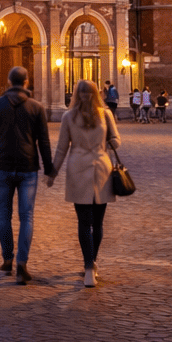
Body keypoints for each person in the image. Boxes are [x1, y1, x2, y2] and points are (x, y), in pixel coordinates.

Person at [0, 66, 56, 285]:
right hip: (28, 167)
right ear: (26, 82)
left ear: (8, 81)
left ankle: (7, 260)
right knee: (27, 217)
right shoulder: (36, 107)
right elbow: (44, 141)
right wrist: (49, 168)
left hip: (2, 165)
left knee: (4, 215)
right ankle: (22, 263)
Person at [49, 79, 121, 288]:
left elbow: (62, 148)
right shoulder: (105, 114)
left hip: (78, 169)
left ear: (75, 95)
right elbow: (116, 141)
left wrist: (53, 172)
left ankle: (88, 266)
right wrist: (105, 140)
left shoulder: (68, 116)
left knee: (84, 222)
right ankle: (93, 263)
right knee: (97, 222)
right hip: (101, 169)